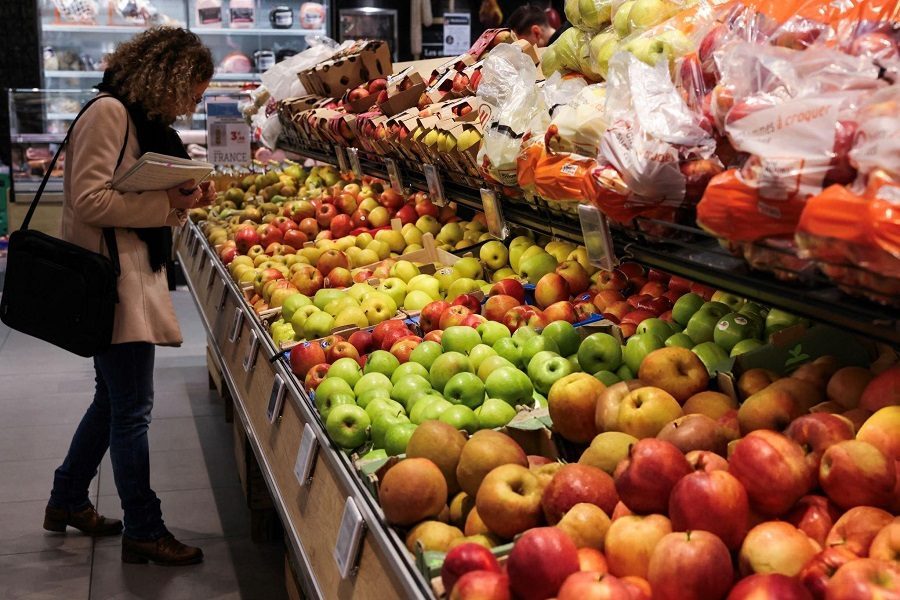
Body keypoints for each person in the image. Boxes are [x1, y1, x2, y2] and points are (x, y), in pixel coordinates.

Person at [43, 27, 216, 566]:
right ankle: (144, 527)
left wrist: (183, 193)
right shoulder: (109, 113)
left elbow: (128, 186)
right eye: (194, 89)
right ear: (171, 77)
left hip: (128, 275)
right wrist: (165, 201)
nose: (196, 102)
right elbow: (88, 199)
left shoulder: (143, 121)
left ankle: (68, 498)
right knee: (133, 411)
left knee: (113, 400)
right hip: (113, 284)